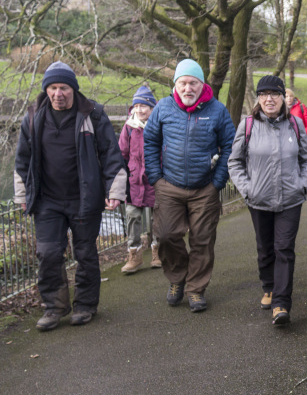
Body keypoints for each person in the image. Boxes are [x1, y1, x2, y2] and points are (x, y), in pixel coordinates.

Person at [14, 61, 127, 331]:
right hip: (47, 200)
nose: (58, 93)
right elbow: (22, 160)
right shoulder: (32, 117)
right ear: (46, 90)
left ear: (73, 89)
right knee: (48, 253)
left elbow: (111, 155)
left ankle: (86, 305)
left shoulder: (93, 115)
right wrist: (22, 194)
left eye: (63, 88)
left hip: (84, 198)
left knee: (85, 252)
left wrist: (115, 191)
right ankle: (54, 307)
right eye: (52, 88)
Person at [143, 59, 236, 313]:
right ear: (176, 84)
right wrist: (155, 178)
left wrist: (217, 181)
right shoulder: (163, 108)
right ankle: (177, 279)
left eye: (193, 83)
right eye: (182, 83)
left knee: (202, 240)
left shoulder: (217, 110)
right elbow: (149, 142)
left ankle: (196, 289)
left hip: (204, 188)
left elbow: (230, 145)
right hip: (169, 187)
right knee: (165, 236)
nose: (187, 88)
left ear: (201, 84)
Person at [228, 75, 307, 326]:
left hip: (291, 199)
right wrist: (247, 189)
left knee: (284, 249)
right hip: (259, 199)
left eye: (274, 94)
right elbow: (234, 162)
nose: (269, 99)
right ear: (258, 98)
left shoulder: (295, 124)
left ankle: (281, 303)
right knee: (265, 248)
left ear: (282, 98)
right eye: (264, 94)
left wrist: (302, 184)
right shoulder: (248, 125)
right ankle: (268, 286)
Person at [119, 85, 160, 274]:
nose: (139, 110)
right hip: (134, 181)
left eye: (143, 106)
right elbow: (122, 154)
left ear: (152, 108)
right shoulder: (128, 128)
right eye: (136, 106)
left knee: (155, 218)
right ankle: (134, 255)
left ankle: (157, 252)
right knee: (132, 217)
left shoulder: (160, 124)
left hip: (154, 179)